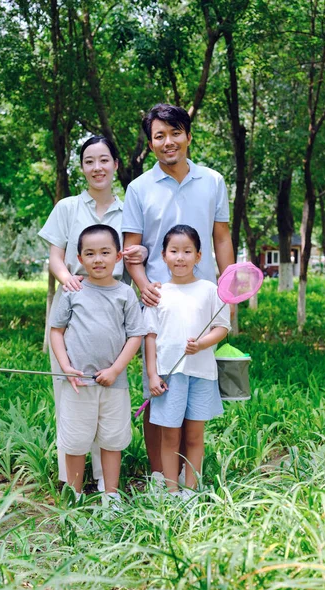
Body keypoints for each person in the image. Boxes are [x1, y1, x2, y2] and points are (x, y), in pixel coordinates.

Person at [121, 103, 235, 478]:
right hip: (160, 305)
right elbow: (132, 248)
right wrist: (143, 287)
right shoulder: (138, 188)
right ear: (150, 143)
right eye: (159, 136)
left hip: (202, 305)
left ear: (187, 135)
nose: (168, 142)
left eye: (175, 133)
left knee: (195, 389)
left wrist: (229, 291)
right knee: (158, 391)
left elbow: (221, 237)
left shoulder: (213, 181)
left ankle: (189, 479)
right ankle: (159, 476)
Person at [38, 136, 146, 488]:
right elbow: (56, 256)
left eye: (104, 160)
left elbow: (135, 253)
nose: (97, 167)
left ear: (116, 163)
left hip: (114, 306)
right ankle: (72, 484)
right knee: (73, 399)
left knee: (109, 398)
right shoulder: (67, 207)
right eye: (89, 161)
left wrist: (141, 257)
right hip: (75, 304)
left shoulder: (131, 206)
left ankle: (106, 485)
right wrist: (68, 279)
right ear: (81, 167)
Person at [49, 224, 145, 502]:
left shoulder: (126, 293)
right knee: (76, 441)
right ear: (80, 259)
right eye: (90, 253)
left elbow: (135, 335)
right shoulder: (73, 290)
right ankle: (75, 494)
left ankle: (111, 496)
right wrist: (66, 366)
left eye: (105, 252)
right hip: (78, 384)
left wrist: (116, 370)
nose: (98, 259)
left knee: (112, 440)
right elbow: (57, 331)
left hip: (114, 384)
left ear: (118, 256)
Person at [143, 225, 230, 497]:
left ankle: (190, 490)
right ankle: (170, 491)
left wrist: (202, 344)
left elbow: (222, 327)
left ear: (199, 256)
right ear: (164, 255)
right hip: (169, 375)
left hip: (202, 373)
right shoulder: (157, 294)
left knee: (194, 436)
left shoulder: (210, 290)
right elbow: (149, 337)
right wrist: (152, 375)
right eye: (174, 251)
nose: (180, 257)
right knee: (170, 436)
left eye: (187, 251)